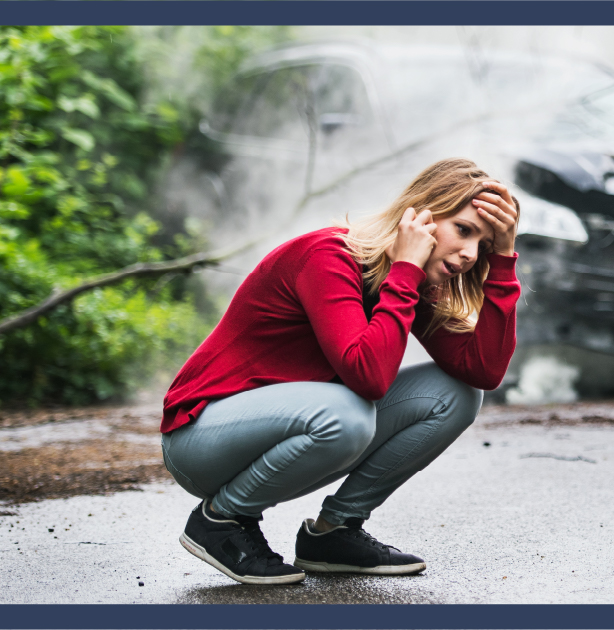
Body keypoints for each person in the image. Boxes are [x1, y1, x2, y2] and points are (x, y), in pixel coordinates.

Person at [159, 158, 520, 585]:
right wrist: (404, 271)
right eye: (463, 230)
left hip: (286, 433)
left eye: (484, 243)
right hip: (200, 438)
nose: (470, 253)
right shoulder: (329, 255)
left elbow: (482, 370)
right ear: (421, 215)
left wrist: (504, 260)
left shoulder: (411, 282)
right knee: (348, 412)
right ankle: (220, 520)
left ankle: (334, 533)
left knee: (456, 394)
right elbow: (367, 377)